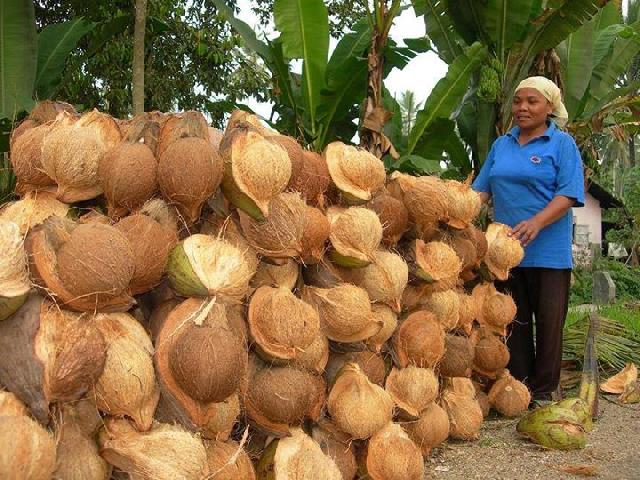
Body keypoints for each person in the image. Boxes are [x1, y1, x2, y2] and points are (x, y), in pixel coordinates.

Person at [472, 76, 585, 405]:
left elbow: (569, 193)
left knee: (549, 325)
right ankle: (519, 390)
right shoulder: (501, 144)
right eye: (518, 101)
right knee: (513, 322)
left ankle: (546, 391)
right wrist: (455, 211)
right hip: (505, 254)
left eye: (532, 101)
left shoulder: (561, 144)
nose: (522, 107)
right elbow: (481, 190)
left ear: (549, 106)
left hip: (549, 253)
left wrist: (537, 221)